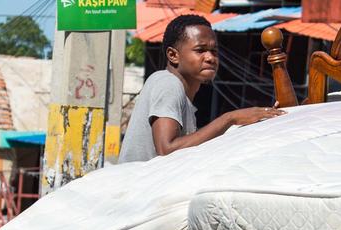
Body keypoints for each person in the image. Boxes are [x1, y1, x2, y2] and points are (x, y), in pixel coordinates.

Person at [118, 15, 284, 163]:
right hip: (137, 194)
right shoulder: (168, 83)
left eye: (214, 51)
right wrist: (230, 118)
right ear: (173, 55)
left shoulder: (182, 94)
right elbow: (166, 150)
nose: (210, 58)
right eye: (200, 50)